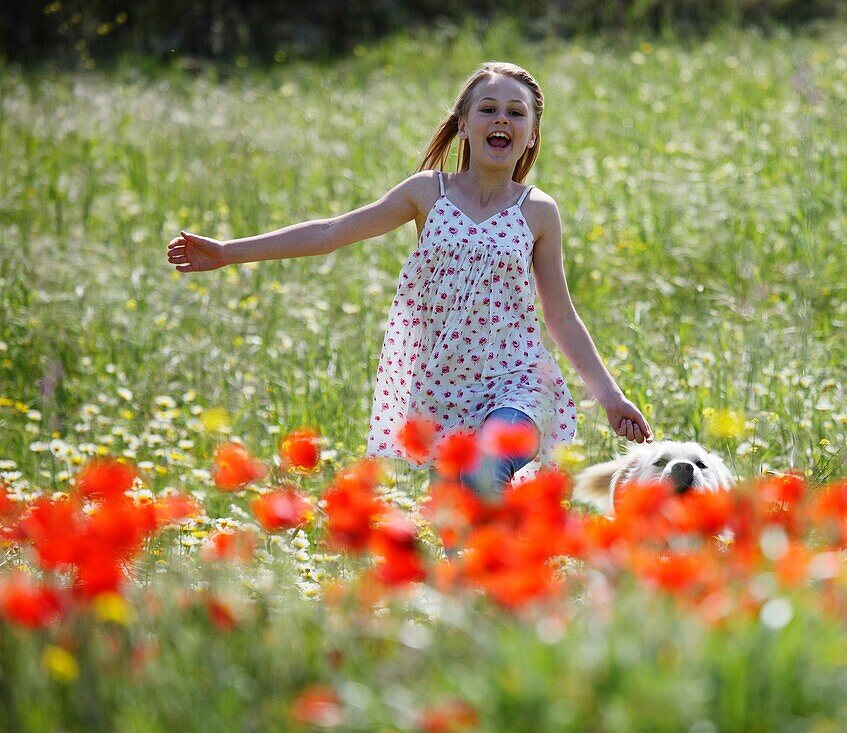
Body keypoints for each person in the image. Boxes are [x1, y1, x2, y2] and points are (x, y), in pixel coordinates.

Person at [166, 61, 652, 495]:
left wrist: (611, 398)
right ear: (464, 125)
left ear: (531, 134)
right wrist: (229, 252)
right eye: (488, 109)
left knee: (486, 470)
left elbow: (561, 316)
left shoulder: (538, 211)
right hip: (442, 387)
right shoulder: (427, 193)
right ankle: (494, 581)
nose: (501, 119)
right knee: (461, 510)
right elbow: (332, 232)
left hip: (517, 382)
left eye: (515, 113)